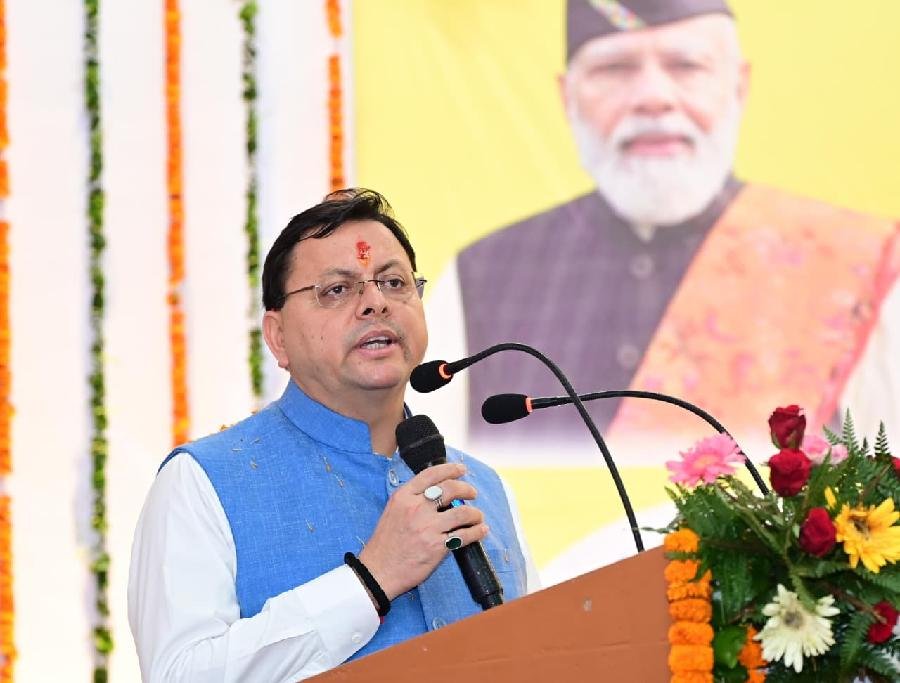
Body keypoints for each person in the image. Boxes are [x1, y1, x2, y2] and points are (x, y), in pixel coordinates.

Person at [426, 0, 900, 455]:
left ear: (739, 87)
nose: (653, 98)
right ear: (566, 97)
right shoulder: (481, 277)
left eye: (687, 66)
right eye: (615, 69)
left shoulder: (856, 266)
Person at [128, 189, 537, 681]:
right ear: (278, 337)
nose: (376, 303)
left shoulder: (483, 488)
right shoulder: (201, 484)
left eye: (394, 282)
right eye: (337, 290)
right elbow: (179, 674)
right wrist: (370, 580)